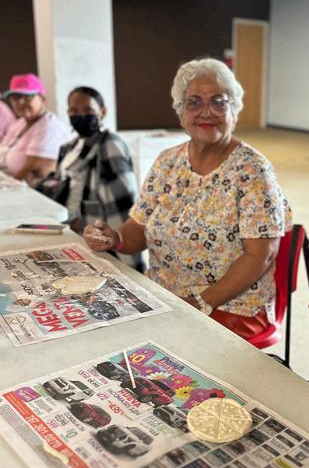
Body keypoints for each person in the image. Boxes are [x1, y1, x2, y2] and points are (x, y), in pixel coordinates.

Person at [83, 58, 291, 339]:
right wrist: (115, 238)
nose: (206, 112)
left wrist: (199, 303)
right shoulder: (167, 161)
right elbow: (138, 229)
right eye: (194, 102)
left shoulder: (253, 170)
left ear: (234, 110)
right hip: (163, 295)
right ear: (180, 112)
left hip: (231, 306)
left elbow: (260, 256)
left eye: (218, 102)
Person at [36, 86, 142, 271]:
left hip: (97, 235)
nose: (81, 116)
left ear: (102, 111)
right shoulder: (69, 148)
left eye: (88, 110)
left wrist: (120, 240)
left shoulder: (110, 145)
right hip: (69, 231)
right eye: (74, 111)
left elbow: (125, 200)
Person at [0, 73, 70, 185]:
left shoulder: (50, 128)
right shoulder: (20, 123)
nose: (21, 102)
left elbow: (32, 170)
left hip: (30, 191)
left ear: (42, 99)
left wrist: (9, 187)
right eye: (16, 97)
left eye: (28, 97)